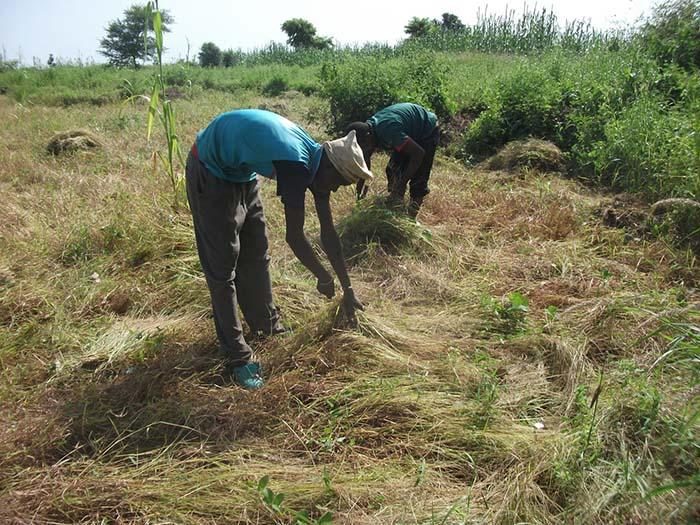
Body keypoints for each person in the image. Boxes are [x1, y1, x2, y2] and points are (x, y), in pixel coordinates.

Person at [186, 109, 372, 389]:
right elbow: (294, 237)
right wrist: (323, 277)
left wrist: (348, 290)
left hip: (244, 175)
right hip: (211, 169)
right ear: (331, 169)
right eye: (339, 183)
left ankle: (267, 327)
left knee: (257, 254)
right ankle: (238, 357)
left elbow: (328, 234)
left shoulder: (318, 161)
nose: (334, 190)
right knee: (223, 269)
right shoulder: (297, 165)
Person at [346, 103, 440, 219]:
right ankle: (396, 209)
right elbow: (364, 166)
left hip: (426, 129)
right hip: (407, 130)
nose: (362, 149)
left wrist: (403, 182)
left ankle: (410, 221)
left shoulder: (388, 131)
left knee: (418, 181)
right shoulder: (366, 132)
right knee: (393, 170)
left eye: (362, 146)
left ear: (368, 136)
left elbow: (419, 154)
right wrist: (358, 196)